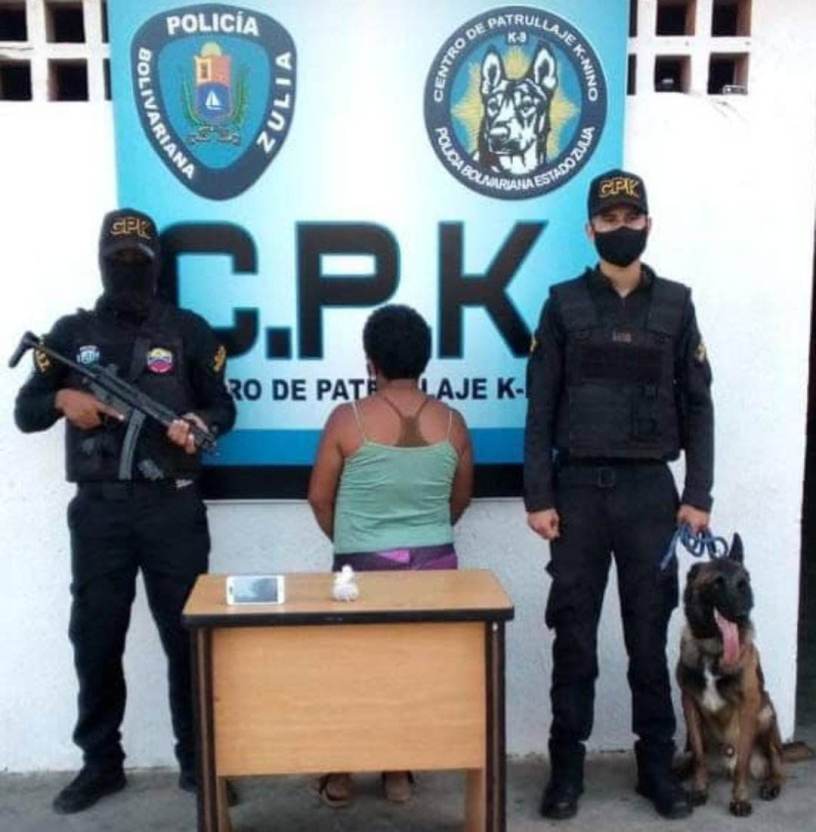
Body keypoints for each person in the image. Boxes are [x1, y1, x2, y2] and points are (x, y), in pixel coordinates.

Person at [14, 208, 236, 814]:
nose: (129, 270)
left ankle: (197, 760)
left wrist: (197, 423)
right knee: (96, 637)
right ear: (102, 262)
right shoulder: (69, 334)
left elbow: (223, 407)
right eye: (119, 261)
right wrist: (63, 398)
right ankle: (100, 764)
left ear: (157, 266)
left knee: (188, 638)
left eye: (139, 261)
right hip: (100, 512)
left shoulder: (189, 331)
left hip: (172, 507)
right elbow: (26, 411)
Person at [524, 170, 714, 820]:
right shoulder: (563, 305)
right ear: (591, 229)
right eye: (610, 219)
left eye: (632, 217)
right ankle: (566, 772)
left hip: (649, 496)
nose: (622, 227)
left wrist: (698, 494)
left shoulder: (677, 305)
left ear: (648, 224)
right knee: (574, 638)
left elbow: (699, 404)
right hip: (578, 493)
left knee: (648, 640)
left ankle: (655, 768)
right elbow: (541, 406)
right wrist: (538, 496)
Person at [308, 303, 474, 807]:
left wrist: (350, 540)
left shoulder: (347, 419)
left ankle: (341, 772)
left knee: (352, 671)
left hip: (361, 568)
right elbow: (460, 499)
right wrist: (424, 538)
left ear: (370, 362)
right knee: (413, 672)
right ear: (424, 360)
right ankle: (398, 772)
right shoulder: (453, 423)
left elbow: (319, 498)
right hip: (435, 568)